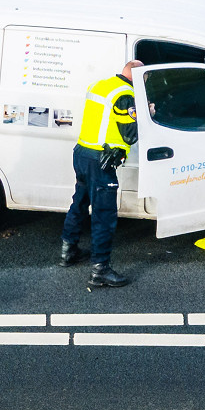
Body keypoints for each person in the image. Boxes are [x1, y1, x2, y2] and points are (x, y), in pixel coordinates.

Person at [60, 60, 143, 288]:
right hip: (101, 161)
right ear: (136, 77)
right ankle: (100, 271)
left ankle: (68, 252)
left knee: (79, 203)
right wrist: (147, 113)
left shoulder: (101, 85)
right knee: (104, 215)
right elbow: (130, 135)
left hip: (82, 153)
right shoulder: (125, 95)